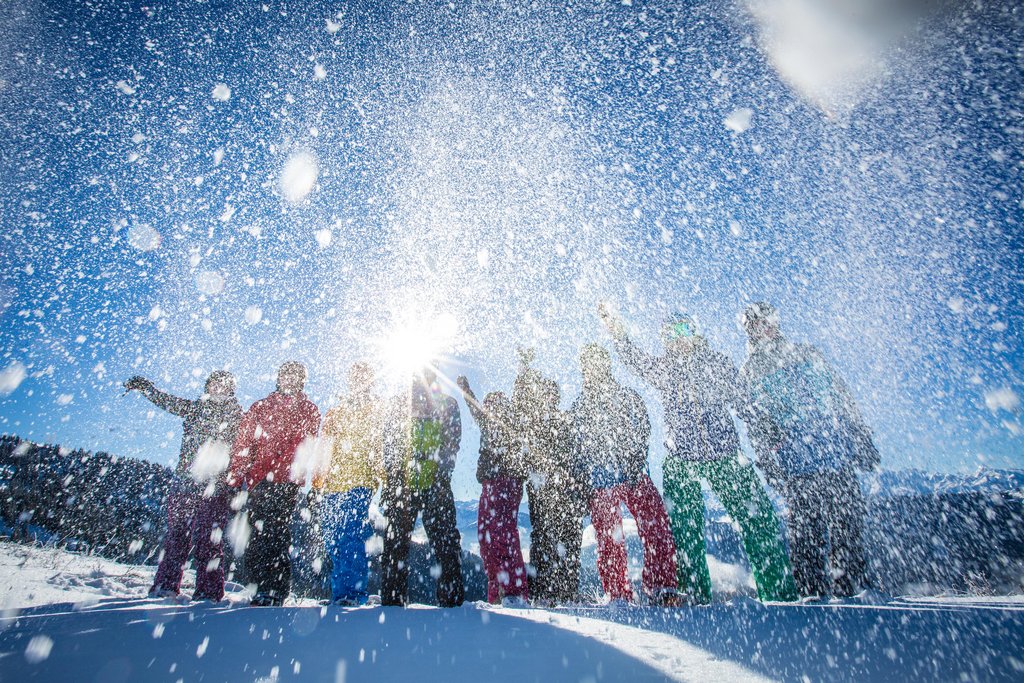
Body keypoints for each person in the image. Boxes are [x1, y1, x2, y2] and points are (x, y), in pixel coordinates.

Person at [599, 304, 798, 604]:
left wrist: (766, 425)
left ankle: (780, 595)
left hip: (726, 454)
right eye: (669, 334)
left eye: (683, 330)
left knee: (760, 522)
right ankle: (695, 596)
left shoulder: (716, 364)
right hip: (682, 458)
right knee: (685, 532)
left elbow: (744, 401)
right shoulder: (665, 369)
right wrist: (618, 333)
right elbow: (635, 361)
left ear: (695, 332)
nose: (677, 339)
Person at [739, 301, 879, 598]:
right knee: (805, 535)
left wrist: (860, 436)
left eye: (770, 320)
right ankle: (811, 593)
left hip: (836, 454)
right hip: (797, 464)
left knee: (848, 529)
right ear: (750, 329)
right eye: (759, 322)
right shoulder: (750, 371)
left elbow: (840, 395)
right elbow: (755, 420)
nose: (767, 327)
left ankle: (852, 589)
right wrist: (767, 459)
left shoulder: (806, 353)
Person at [569, 343, 678, 604]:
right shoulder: (580, 407)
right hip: (601, 479)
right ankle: (618, 592)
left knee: (655, 523)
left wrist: (635, 456)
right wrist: (582, 479)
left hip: (632, 474)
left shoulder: (626, 396)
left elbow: (642, 424)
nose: (595, 370)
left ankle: (662, 586)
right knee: (609, 536)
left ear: (606, 366)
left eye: (599, 363)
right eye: (589, 366)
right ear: (585, 370)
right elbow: (575, 447)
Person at [124, 370, 242, 602]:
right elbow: (167, 402)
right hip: (186, 482)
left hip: (216, 486)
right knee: (177, 535)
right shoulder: (195, 408)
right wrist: (147, 389)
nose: (218, 388)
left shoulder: (236, 415)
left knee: (208, 539)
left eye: (223, 385)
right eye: (214, 384)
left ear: (231, 390)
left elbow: (248, 446)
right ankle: (165, 586)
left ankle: (209, 592)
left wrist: (237, 481)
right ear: (207, 387)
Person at [227, 361, 321, 606]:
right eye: (285, 375)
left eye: (294, 376)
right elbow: (244, 440)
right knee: (257, 533)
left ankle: (276, 588)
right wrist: (239, 472)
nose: (288, 379)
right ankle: (258, 586)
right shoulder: (261, 406)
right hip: (259, 480)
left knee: (276, 532)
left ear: (301, 381)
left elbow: (305, 442)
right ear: (278, 378)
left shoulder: (308, 408)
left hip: (286, 481)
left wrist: (283, 465)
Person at [379, 369, 464, 607]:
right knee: (395, 542)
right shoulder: (398, 403)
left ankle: (451, 601)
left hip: (434, 483)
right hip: (403, 484)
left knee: (445, 541)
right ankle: (393, 601)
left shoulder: (447, 403)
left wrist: (441, 473)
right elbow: (389, 441)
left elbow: (452, 441)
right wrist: (395, 477)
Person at [513, 351, 588, 605]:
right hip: (541, 486)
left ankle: (565, 592)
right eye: (546, 394)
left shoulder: (565, 421)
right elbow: (521, 397)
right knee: (544, 535)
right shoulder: (533, 422)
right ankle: (541, 593)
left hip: (566, 489)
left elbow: (578, 455)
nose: (550, 398)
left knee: (568, 536)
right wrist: (524, 367)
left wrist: (581, 485)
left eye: (553, 394)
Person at [313, 362, 385, 606]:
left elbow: (380, 445)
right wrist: (318, 478)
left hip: (360, 481)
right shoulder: (336, 411)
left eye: (364, 377)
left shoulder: (376, 410)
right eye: (356, 377)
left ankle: (353, 594)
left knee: (351, 537)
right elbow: (325, 444)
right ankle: (339, 593)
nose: (359, 382)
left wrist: (382, 474)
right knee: (333, 538)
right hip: (334, 483)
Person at [456, 374, 529, 604]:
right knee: (486, 535)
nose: (489, 408)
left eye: (494, 404)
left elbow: (519, 398)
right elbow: (475, 408)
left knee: (501, 534)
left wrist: (466, 388)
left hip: (506, 483)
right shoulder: (488, 424)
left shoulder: (511, 423)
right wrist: (465, 389)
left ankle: (514, 592)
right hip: (490, 484)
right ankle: (497, 591)